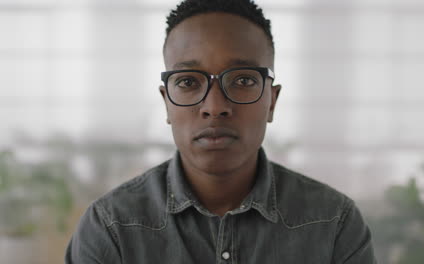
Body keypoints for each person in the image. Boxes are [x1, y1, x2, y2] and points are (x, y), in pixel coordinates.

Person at [65, 0, 377, 263]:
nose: (215, 107)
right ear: (166, 103)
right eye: (188, 82)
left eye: (242, 80)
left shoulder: (334, 223)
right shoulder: (110, 228)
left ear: (271, 102)